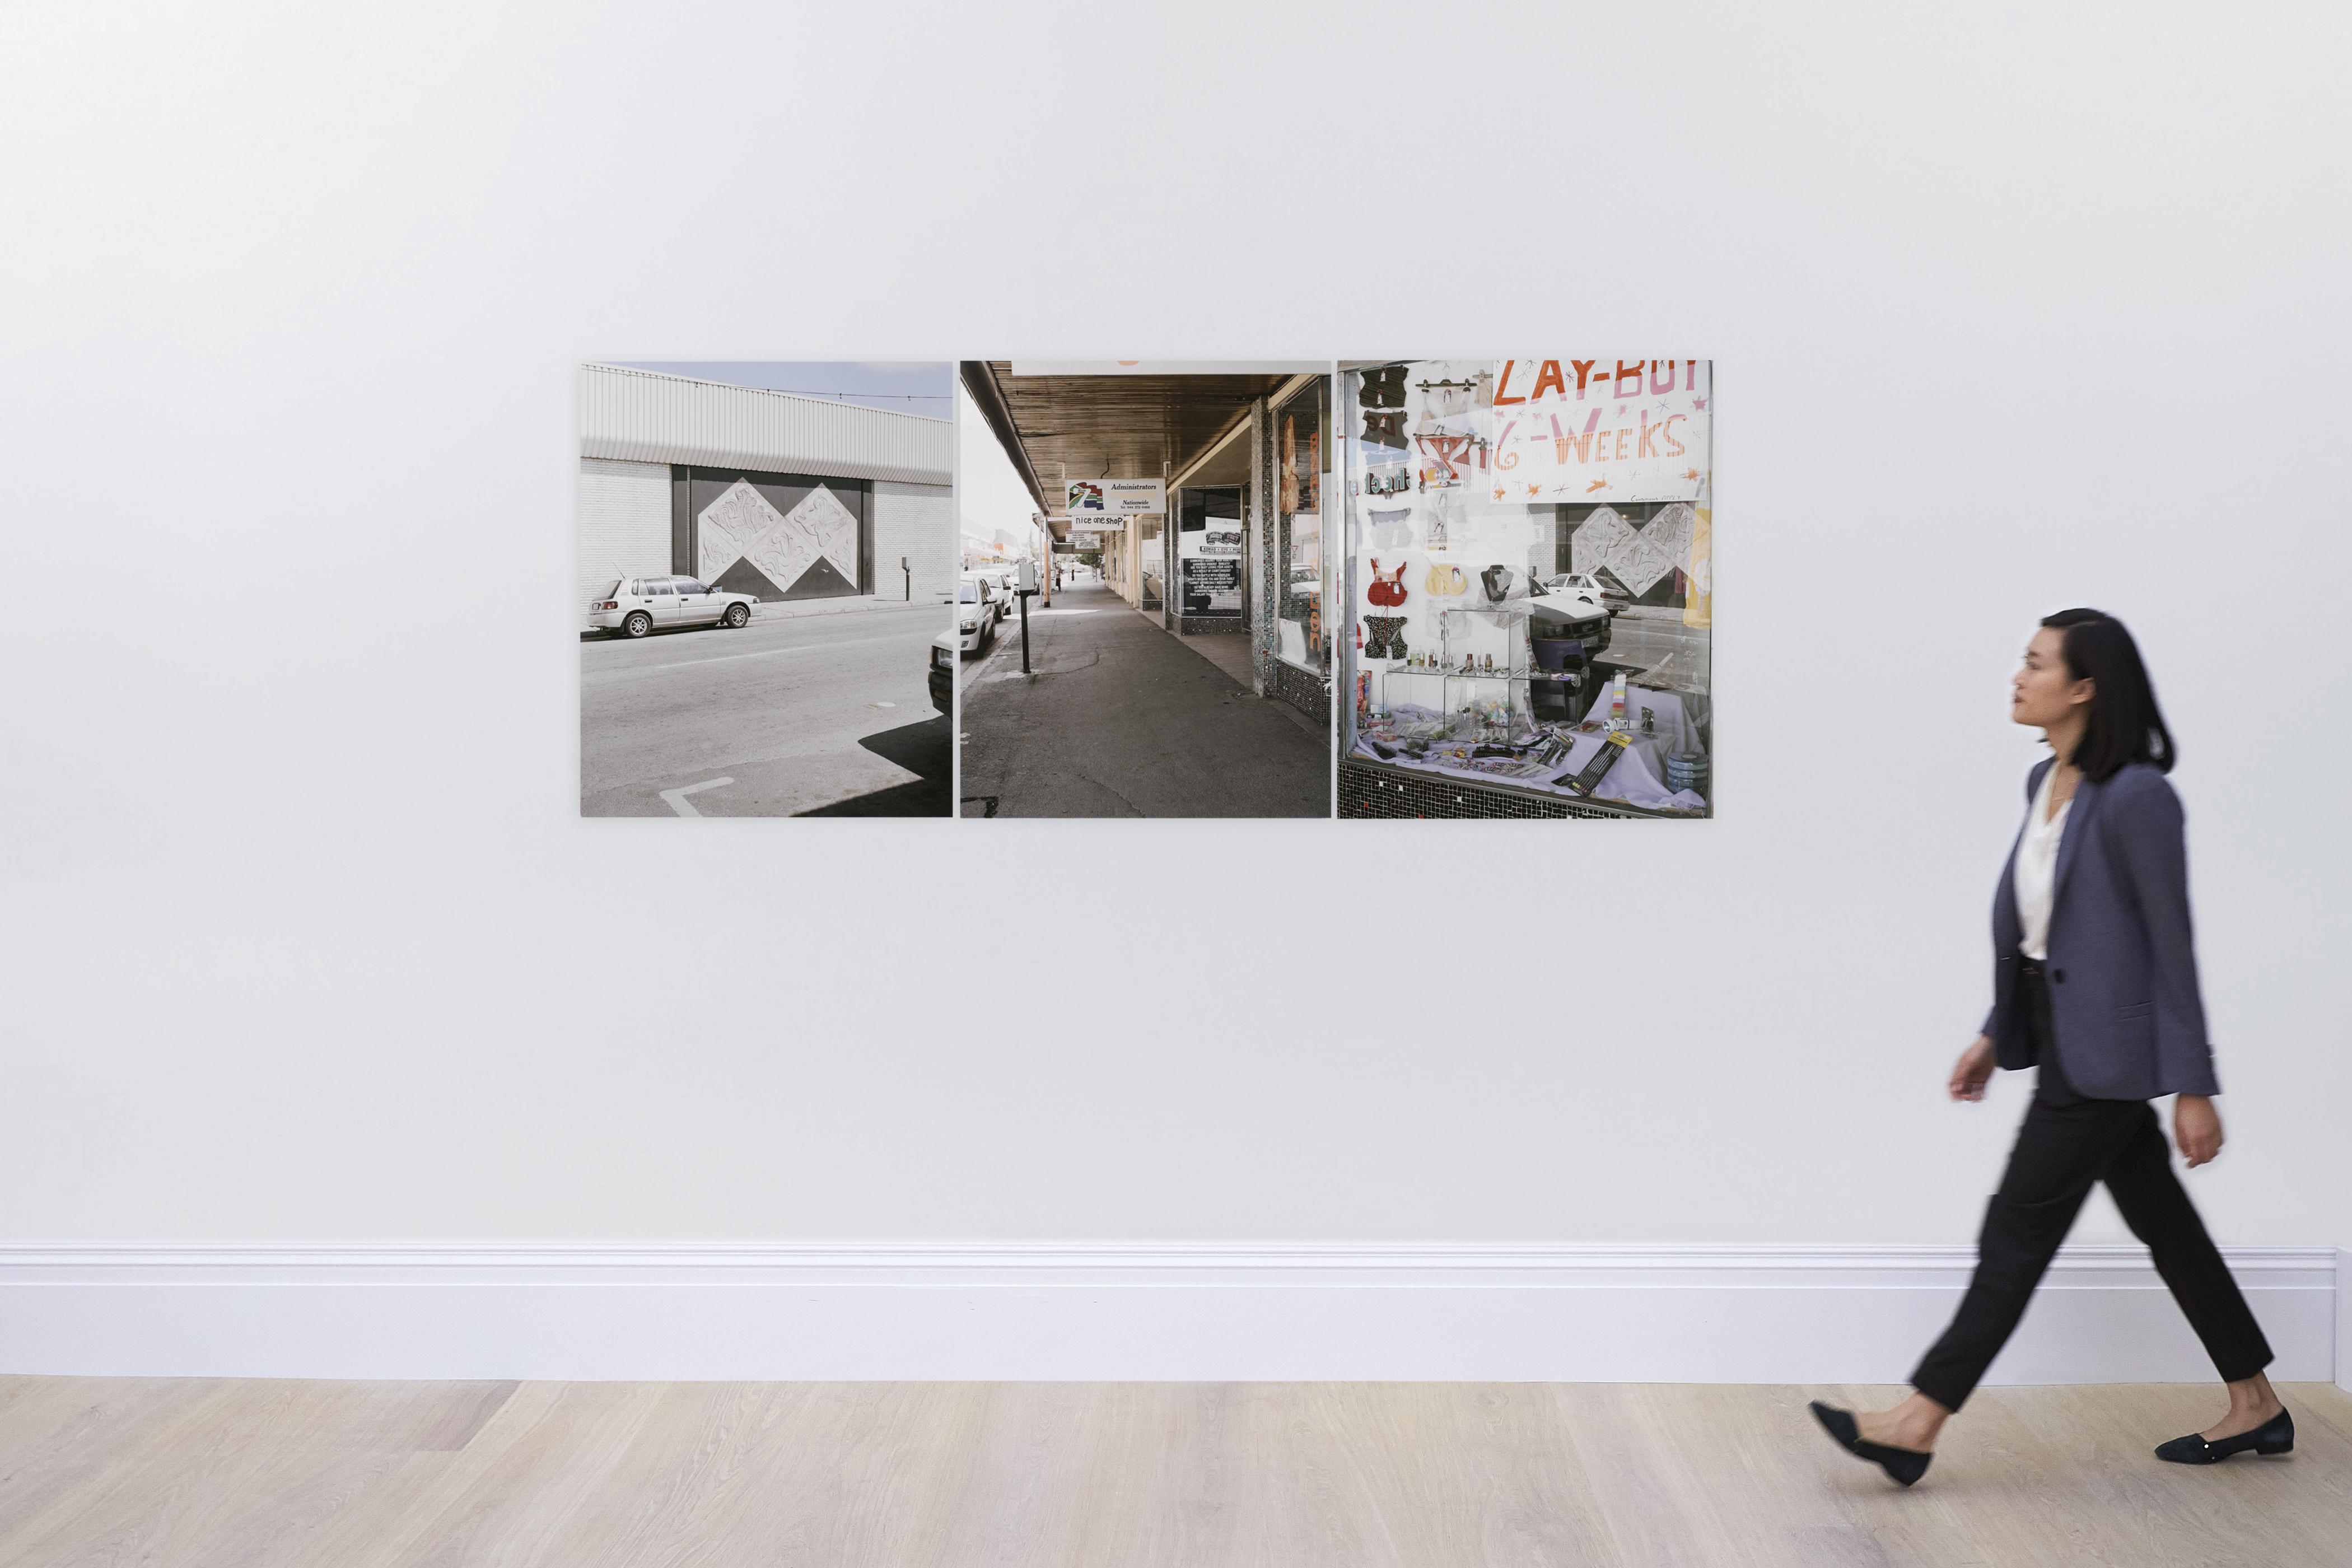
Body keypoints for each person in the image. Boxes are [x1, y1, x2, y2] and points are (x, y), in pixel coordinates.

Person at [1811, 610, 2288, 1488]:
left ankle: (1917, 1423)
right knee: (2166, 1224)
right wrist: (1997, 1032)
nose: (2018, 676)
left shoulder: (2138, 796)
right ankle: (2256, 1403)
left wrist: (2194, 1083)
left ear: (2084, 688)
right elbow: (2046, 934)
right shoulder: (2045, 779)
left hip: (2103, 1059)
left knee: (2017, 1231)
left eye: (2036, 664)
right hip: (2062, 1037)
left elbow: (2169, 945)